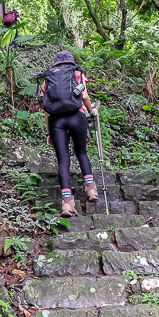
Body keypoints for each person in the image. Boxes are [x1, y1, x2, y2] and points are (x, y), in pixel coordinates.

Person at [40, 51, 98, 217]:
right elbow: (85, 96)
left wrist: (50, 132)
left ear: (56, 64)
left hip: (56, 120)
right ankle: (91, 188)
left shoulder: (48, 78)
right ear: (71, 62)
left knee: (63, 159)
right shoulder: (77, 74)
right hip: (76, 117)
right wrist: (91, 110)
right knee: (81, 153)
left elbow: (46, 109)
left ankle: (67, 202)